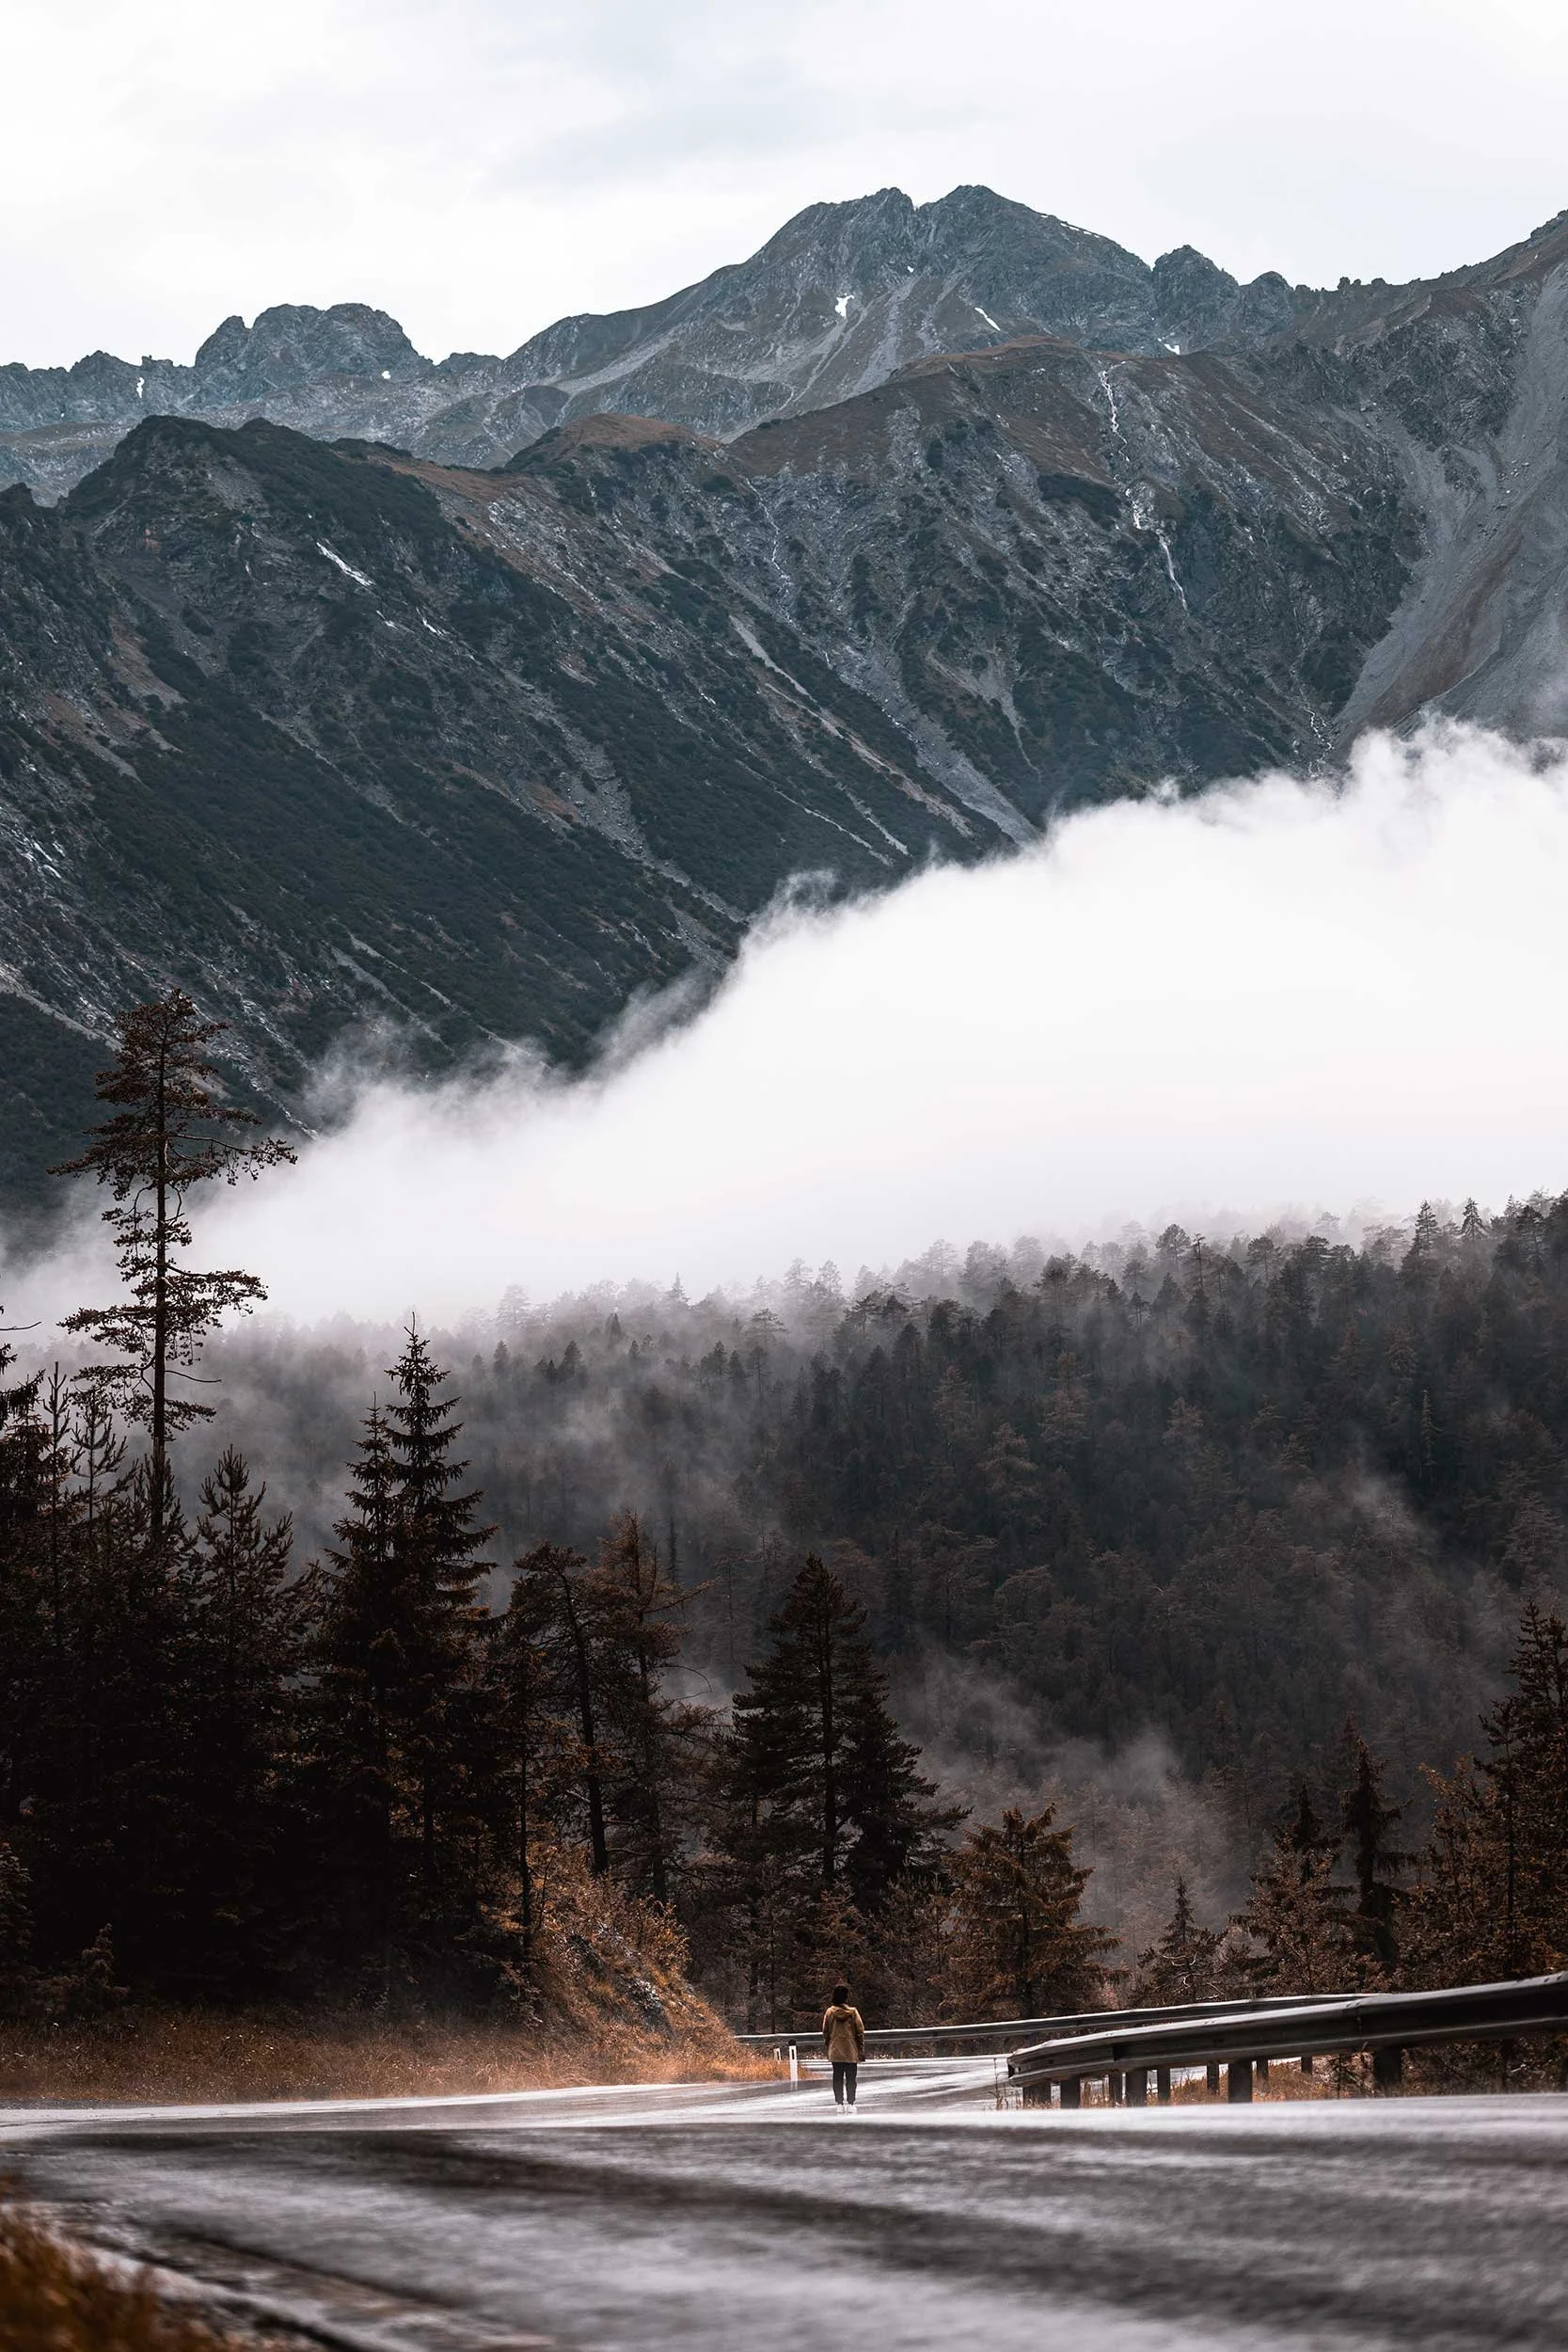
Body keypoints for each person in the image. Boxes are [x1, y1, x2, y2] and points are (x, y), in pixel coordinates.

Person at [822, 1981, 865, 2109]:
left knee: (837, 2078)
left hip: (836, 2050)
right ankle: (851, 2103)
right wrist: (860, 2050)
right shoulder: (853, 2013)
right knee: (851, 2078)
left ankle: (839, 2103)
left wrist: (829, 2044)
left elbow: (825, 2031)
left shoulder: (829, 2012)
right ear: (846, 1997)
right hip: (851, 2050)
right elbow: (860, 2032)